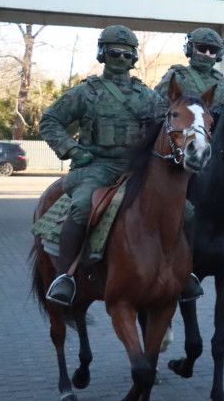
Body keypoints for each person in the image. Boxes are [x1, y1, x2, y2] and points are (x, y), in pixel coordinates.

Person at [38, 25, 167, 306]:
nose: (120, 57)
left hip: (138, 169)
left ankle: (180, 271)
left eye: (126, 53)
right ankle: (64, 278)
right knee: (84, 205)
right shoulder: (85, 93)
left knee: (186, 208)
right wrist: (71, 149)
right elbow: (49, 121)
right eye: (113, 51)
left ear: (134, 57)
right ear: (102, 54)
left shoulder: (150, 97)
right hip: (96, 166)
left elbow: (168, 129)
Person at [156, 27, 224, 266]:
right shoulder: (176, 76)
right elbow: (158, 108)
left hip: (215, 151)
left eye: (213, 51)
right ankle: (164, 238)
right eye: (202, 48)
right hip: (182, 149)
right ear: (190, 49)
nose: (207, 53)